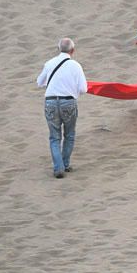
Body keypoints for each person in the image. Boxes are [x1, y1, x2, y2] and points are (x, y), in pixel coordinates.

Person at [37, 37, 88, 178]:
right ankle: (64, 165)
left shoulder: (49, 63)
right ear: (73, 50)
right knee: (69, 135)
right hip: (69, 102)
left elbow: (39, 82)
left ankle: (58, 167)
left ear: (58, 49)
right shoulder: (76, 66)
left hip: (51, 101)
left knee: (54, 137)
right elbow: (83, 88)